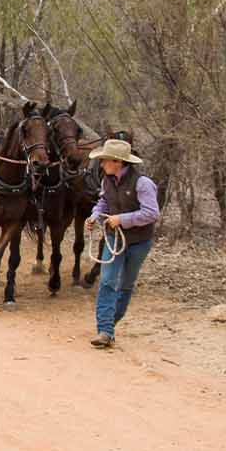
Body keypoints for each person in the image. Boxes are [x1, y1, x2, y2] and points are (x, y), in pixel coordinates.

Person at [86, 137, 158, 349]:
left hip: (138, 242)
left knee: (126, 284)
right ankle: (105, 330)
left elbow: (152, 213)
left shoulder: (143, 184)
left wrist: (122, 219)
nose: (102, 164)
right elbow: (103, 202)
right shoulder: (106, 180)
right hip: (113, 238)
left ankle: (109, 325)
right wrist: (95, 216)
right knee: (107, 281)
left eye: (105, 160)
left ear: (118, 162)